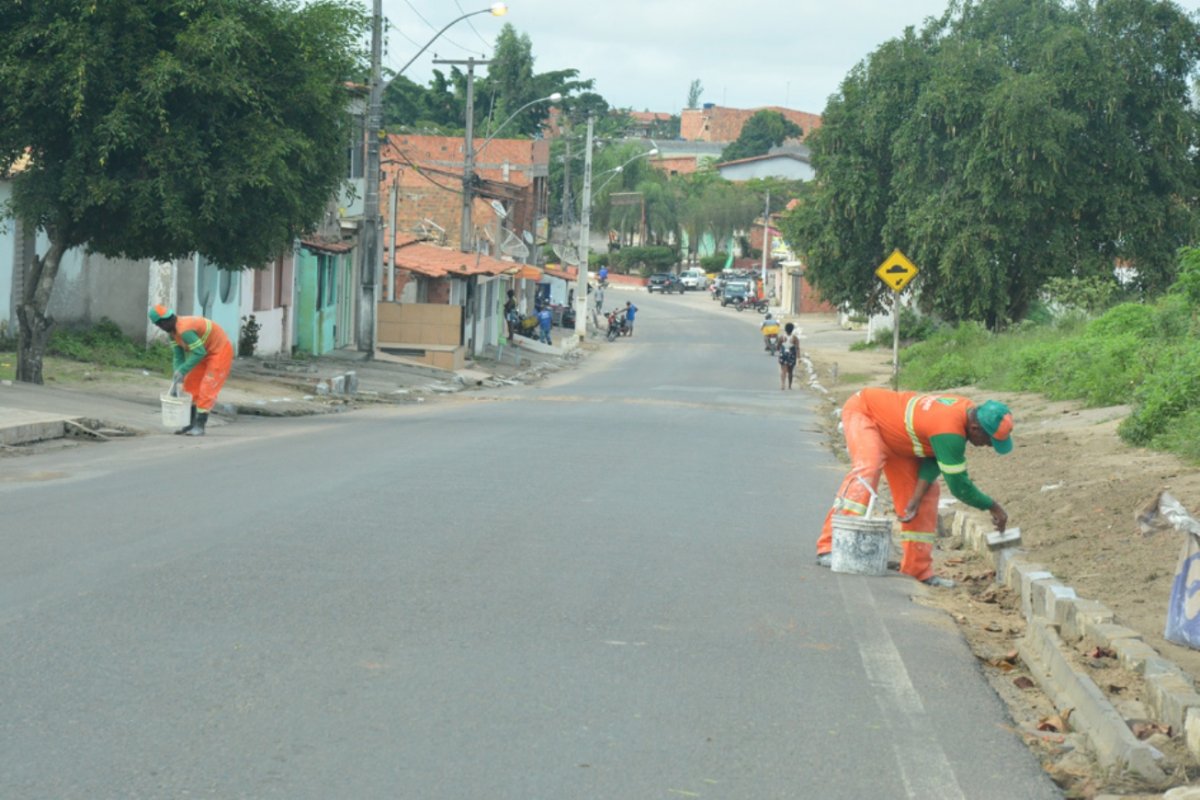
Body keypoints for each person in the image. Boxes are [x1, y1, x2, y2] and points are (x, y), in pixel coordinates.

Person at [815, 389, 1013, 588]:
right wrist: (993, 507)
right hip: (865, 411)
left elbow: (935, 455)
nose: (988, 446)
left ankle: (916, 569)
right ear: (975, 428)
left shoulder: (966, 413)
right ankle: (830, 546)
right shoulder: (950, 430)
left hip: (899, 440)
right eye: (989, 441)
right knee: (868, 468)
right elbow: (959, 487)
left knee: (927, 493)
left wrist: (916, 498)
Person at [148, 305, 233, 436]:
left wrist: (183, 370)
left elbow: (199, 352)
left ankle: (200, 426)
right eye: (164, 321)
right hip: (204, 352)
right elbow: (178, 356)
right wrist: (178, 374)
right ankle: (190, 424)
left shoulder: (184, 329)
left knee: (207, 388)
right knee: (191, 385)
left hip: (219, 351)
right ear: (159, 325)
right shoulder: (173, 334)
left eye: (169, 318)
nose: (168, 321)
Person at [777, 322, 799, 390]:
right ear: (792, 329)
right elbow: (797, 347)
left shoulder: (782, 337)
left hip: (783, 354)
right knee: (790, 371)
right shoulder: (795, 338)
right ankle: (789, 385)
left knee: (783, 370)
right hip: (791, 354)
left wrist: (780, 349)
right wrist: (799, 357)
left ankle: (783, 384)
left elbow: (778, 346)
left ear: (785, 329)